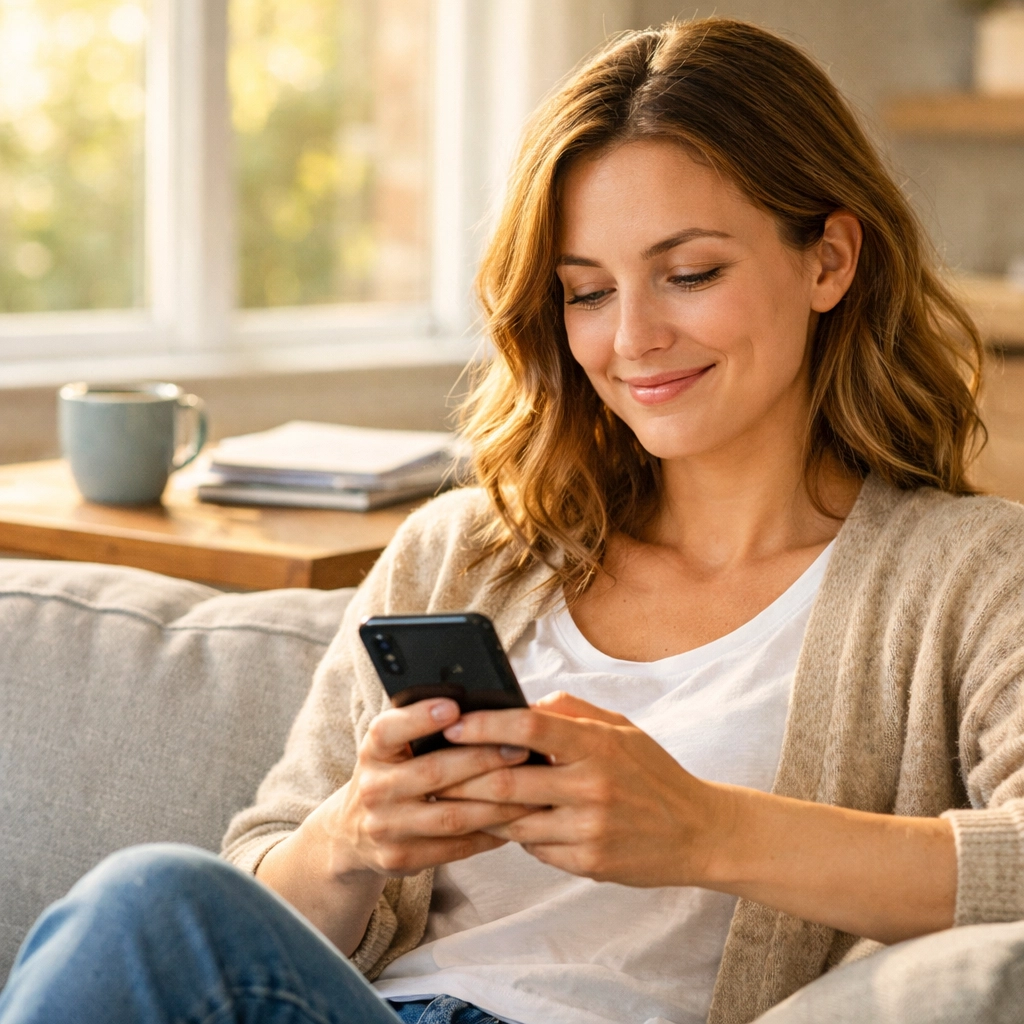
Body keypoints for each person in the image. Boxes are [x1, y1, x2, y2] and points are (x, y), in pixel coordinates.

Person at [3, 16, 1024, 1024]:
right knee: (153, 906)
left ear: (829, 260)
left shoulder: (969, 573)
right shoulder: (463, 550)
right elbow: (254, 887)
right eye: (585, 292)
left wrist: (705, 829)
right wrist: (354, 836)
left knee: (148, 900)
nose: (632, 338)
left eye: (691, 273)